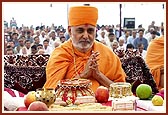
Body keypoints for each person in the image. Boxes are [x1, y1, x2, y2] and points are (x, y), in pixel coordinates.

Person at [43, 5, 126, 92]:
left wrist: (98, 75)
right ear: (70, 31)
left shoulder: (107, 53)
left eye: (90, 31)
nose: (86, 36)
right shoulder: (60, 54)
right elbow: (52, 92)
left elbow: (122, 91)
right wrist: (83, 75)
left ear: (95, 31)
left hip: (104, 104)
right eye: (80, 30)